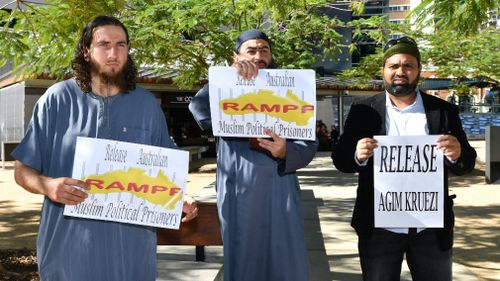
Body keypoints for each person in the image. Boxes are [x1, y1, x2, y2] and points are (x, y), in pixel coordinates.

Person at [12, 15, 198, 281]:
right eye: (104, 44)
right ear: (86, 51)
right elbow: (22, 170)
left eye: (121, 45)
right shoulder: (56, 99)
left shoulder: (147, 106)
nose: (113, 53)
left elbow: (164, 176)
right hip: (68, 251)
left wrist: (179, 198)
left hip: (132, 252)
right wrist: (47, 186)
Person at [332, 36, 476, 281]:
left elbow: (467, 162)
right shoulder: (362, 110)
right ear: (384, 71)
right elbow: (341, 159)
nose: (401, 71)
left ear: (419, 70)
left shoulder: (443, 111)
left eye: (408, 65)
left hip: (430, 228)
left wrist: (458, 153)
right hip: (379, 228)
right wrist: (357, 155)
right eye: (394, 66)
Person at [189, 29, 318, 281]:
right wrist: (228, 77)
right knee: (244, 258)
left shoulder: (290, 88)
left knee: (285, 256)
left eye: (264, 50)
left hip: (280, 186)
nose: (259, 55)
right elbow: (198, 108)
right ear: (236, 56)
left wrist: (287, 151)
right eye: (251, 50)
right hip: (238, 187)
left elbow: (308, 142)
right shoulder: (225, 85)